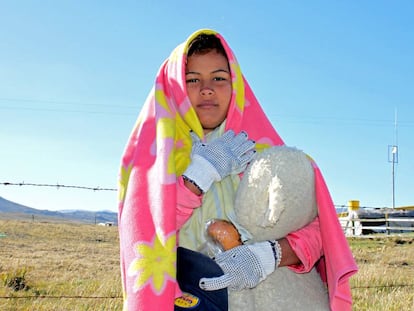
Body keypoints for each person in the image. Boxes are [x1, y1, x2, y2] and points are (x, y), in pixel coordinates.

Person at [118, 29, 358, 311]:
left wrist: (272, 254)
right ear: (174, 87)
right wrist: (197, 177)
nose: (206, 89)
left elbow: (321, 231)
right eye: (192, 79)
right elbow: (147, 236)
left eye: (219, 78)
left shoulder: (262, 150)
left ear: (236, 85)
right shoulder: (153, 161)